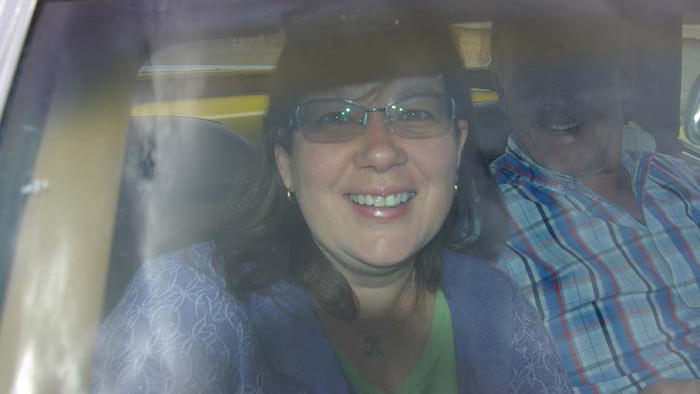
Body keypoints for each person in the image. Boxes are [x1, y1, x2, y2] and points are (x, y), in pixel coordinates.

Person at [91, 26, 571, 394]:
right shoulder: (189, 307)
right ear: (286, 164)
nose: (380, 151)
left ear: (457, 146)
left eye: (414, 113)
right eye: (335, 118)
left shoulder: (495, 303)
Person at [490, 17, 700, 394]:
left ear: (625, 75)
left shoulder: (688, 179)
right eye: (532, 76)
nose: (557, 95)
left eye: (579, 69)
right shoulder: (473, 232)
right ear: (503, 92)